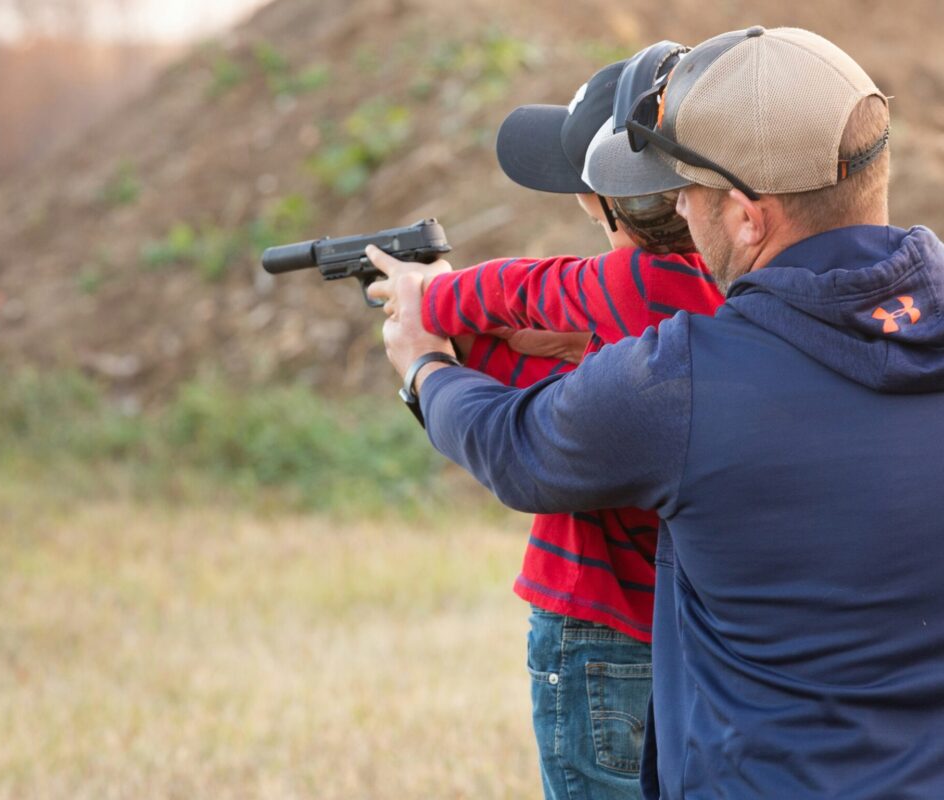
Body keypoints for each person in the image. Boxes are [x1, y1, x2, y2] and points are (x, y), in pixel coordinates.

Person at [376, 26, 944, 799]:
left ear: (747, 216)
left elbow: (514, 448)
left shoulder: (683, 381)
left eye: (686, 189)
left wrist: (424, 367)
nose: (675, 207)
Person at [370, 43, 722, 800]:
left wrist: (431, 304)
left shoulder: (623, 280)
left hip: (591, 624)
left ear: (616, 201)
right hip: (686, 642)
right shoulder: (725, 297)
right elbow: (572, 398)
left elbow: (522, 291)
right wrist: (484, 349)